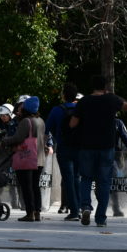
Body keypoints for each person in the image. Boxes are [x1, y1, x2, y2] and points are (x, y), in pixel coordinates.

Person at [69, 75, 127, 227]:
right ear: (105, 87)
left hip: (86, 146)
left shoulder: (84, 101)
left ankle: (85, 207)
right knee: (104, 182)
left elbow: (72, 124)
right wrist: (113, 96)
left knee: (86, 178)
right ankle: (101, 218)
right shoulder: (111, 99)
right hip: (106, 147)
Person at [2, 96, 46, 222]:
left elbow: (18, 138)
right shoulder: (41, 121)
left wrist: (4, 141)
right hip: (39, 158)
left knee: (27, 187)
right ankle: (37, 212)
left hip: (27, 158)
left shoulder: (26, 122)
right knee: (35, 186)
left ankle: (29, 213)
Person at [45, 82, 81, 221]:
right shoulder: (80, 108)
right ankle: (82, 207)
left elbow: (47, 130)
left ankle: (74, 211)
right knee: (77, 178)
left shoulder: (56, 110)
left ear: (63, 95)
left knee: (68, 179)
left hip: (64, 147)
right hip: (79, 147)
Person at [110, 116, 127, 217]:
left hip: (110, 153)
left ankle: (115, 207)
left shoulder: (116, 122)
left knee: (113, 180)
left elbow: (124, 134)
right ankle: (114, 207)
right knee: (110, 180)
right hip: (107, 153)